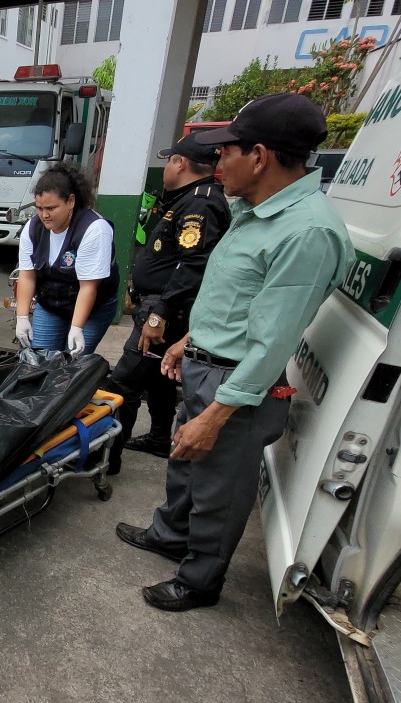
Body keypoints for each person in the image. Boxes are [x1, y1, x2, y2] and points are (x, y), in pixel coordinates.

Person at [115, 94, 354, 612]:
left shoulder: (305, 233)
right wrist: (186, 342)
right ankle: (169, 534)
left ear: (260, 157)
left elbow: (273, 341)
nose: (216, 164)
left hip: (237, 386)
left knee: (219, 488)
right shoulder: (253, 213)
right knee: (184, 464)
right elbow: (235, 304)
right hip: (205, 363)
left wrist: (218, 413)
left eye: (226, 153)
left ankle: (199, 580)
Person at [105, 134, 231, 475]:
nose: (166, 167)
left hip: (167, 312)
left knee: (123, 383)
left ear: (180, 163)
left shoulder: (200, 203)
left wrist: (159, 311)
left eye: (169, 160)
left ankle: (107, 458)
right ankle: (161, 436)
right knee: (161, 377)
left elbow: (193, 263)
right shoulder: (186, 199)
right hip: (159, 306)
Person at [14, 163, 119, 356]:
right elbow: (27, 276)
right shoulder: (33, 228)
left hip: (92, 306)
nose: (44, 215)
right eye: (39, 208)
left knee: (71, 367)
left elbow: (89, 287)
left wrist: (77, 327)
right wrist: (22, 316)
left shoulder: (94, 229)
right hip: (52, 302)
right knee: (40, 358)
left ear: (71, 201)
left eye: (51, 208)